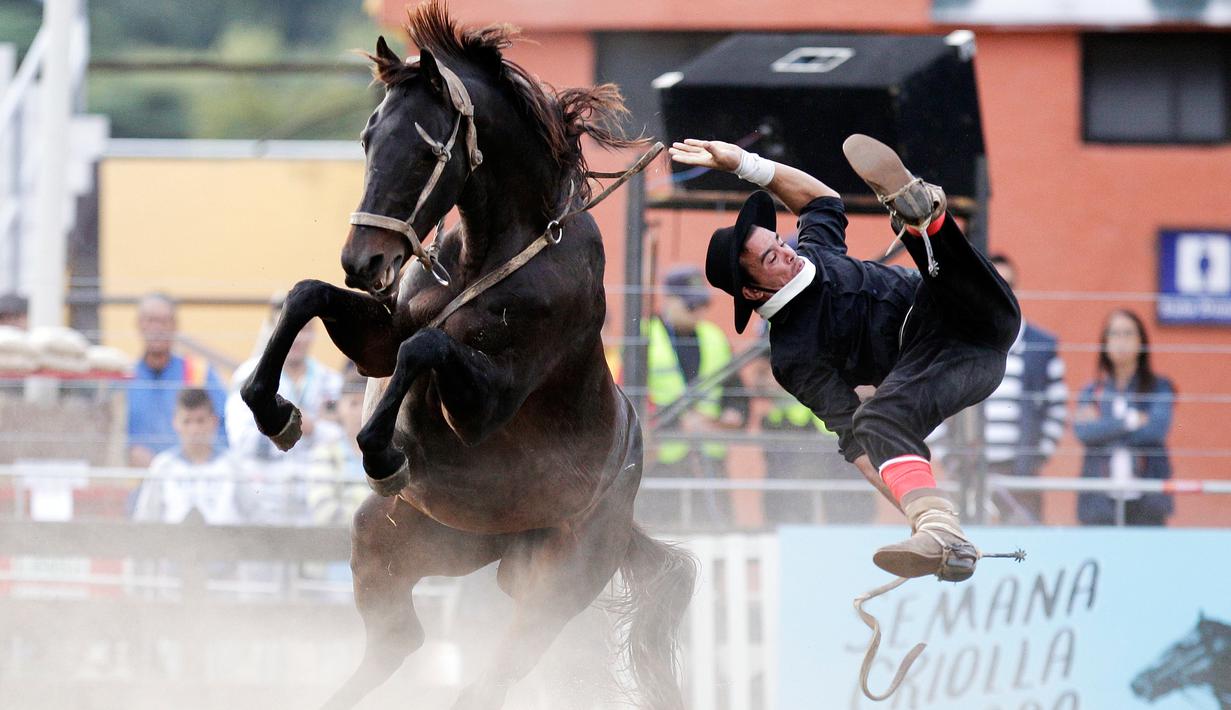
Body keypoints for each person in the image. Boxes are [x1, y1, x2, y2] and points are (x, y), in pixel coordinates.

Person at [671, 134, 1019, 581]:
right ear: (754, 292)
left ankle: (921, 215)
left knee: (938, 269)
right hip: (953, 365)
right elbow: (855, 444)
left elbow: (820, 201)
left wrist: (744, 163)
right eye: (773, 257)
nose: (789, 253)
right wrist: (912, 510)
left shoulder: (815, 251)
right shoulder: (794, 354)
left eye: (781, 241)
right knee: (873, 422)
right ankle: (939, 527)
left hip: (974, 311)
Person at [930, 253, 1068, 523]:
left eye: (1008, 285)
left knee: (1024, 549)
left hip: (1021, 477)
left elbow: (1058, 409)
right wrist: (951, 460)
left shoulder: (1042, 346)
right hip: (967, 475)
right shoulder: (956, 343)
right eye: (994, 284)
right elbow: (931, 405)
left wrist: (1036, 458)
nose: (1002, 293)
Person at [639, 265, 747, 528]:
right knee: (661, 532)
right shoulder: (642, 338)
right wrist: (673, 423)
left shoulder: (714, 338)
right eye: (691, 306)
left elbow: (738, 396)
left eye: (701, 306)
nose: (698, 313)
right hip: (662, 465)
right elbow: (629, 397)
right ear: (669, 301)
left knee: (719, 531)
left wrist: (730, 416)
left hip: (709, 463)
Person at [747, 349, 877, 525]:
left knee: (849, 509)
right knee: (789, 507)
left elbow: (870, 383)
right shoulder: (773, 327)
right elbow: (761, 377)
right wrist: (778, 378)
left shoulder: (846, 328)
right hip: (789, 432)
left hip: (837, 433)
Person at [1074, 309, 1175, 526]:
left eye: (1128, 334)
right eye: (1114, 334)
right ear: (1105, 342)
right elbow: (1083, 432)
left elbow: (1156, 429)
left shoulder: (1158, 388)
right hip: (1100, 502)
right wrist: (1130, 421)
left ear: (1141, 341)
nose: (1121, 341)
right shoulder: (1092, 392)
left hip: (1147, 501)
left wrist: (1103, 427)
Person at [126, 293, 227, 467]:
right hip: (139, 481)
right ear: (139, 325)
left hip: (192, 480)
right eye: (150, 320)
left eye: (163, 321)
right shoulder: (125, 378)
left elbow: (225, 431)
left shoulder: (199, 373)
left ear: (174, 326)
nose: (156, 328)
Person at [131, 387, 240, 525]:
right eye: (187, 421)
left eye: (200, 421)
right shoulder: (164, 465)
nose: (194, 430)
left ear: (214, 421)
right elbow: (145, 518)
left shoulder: (232, 465)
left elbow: (255, 516)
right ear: (176, 422)